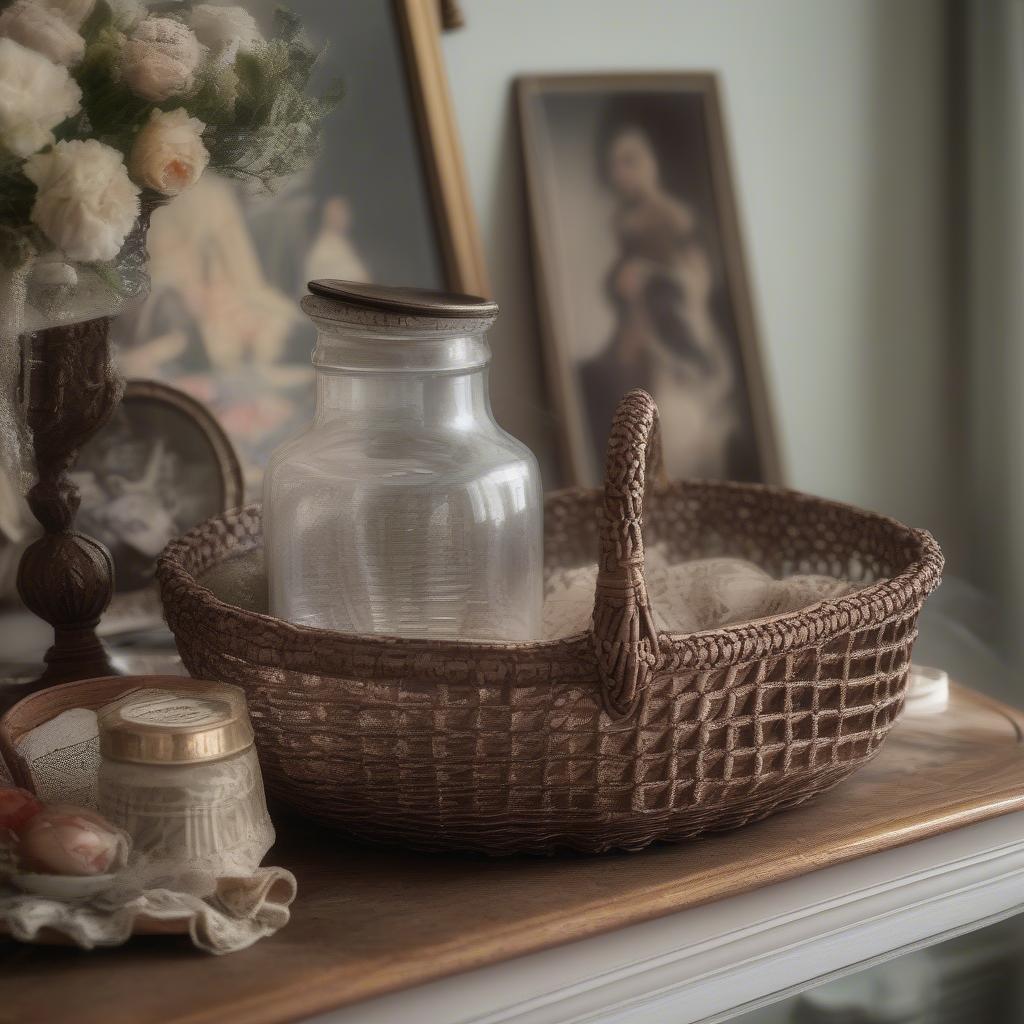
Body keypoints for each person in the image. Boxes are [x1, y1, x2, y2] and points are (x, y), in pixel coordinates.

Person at [580, 123, 744, 480]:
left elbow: (695, 278)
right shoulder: (625, 219)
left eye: (630, 161)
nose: (620, 173)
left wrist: (649, 275)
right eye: (614, 165)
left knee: (679, 423)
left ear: (652, 162)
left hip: (674, 331)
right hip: (641, 331)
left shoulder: (671, 215)